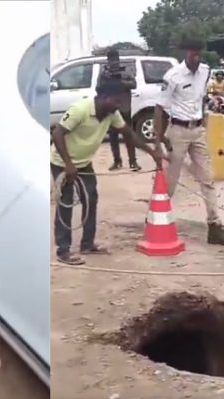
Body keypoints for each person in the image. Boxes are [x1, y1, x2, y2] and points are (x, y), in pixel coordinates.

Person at [51, 79, 163, 265]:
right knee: (66, 204)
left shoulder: (111, 114)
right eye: (116, 101)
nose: (119, 105)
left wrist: (152, 152)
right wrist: (68, 164)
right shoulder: (81, 109)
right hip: (62, 163)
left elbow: (128, 134)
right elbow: (57, 134)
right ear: (103, 97)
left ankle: (87, 245)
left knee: (91, 199)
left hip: (84, 163)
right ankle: (63, 251)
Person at [152, 37, 224, 246]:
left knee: (207, 179)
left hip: (198, 130)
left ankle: (214, 227)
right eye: (192, 54)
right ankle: (156, 223)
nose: (196, 58)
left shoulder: (205, 71)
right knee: (169, 182)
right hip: (178, 131)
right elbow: (159, 108)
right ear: (185, 54)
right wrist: (158, 140)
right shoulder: (172, 76)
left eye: (199, 54)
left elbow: (200, 98)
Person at [98, 48, 140, 171]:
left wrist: (120, 81)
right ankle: (117, 161)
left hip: (124, 107)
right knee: (113, 137)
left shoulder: (125, 71)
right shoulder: (104, 72)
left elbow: (134, 84)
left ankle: (133, 161)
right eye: (111, 60)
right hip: (110, 108)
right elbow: (98, 88)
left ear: (118, 59)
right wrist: (106, 82)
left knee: (128, 135)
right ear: (108, 60)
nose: (113, 63)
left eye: (115, 60)